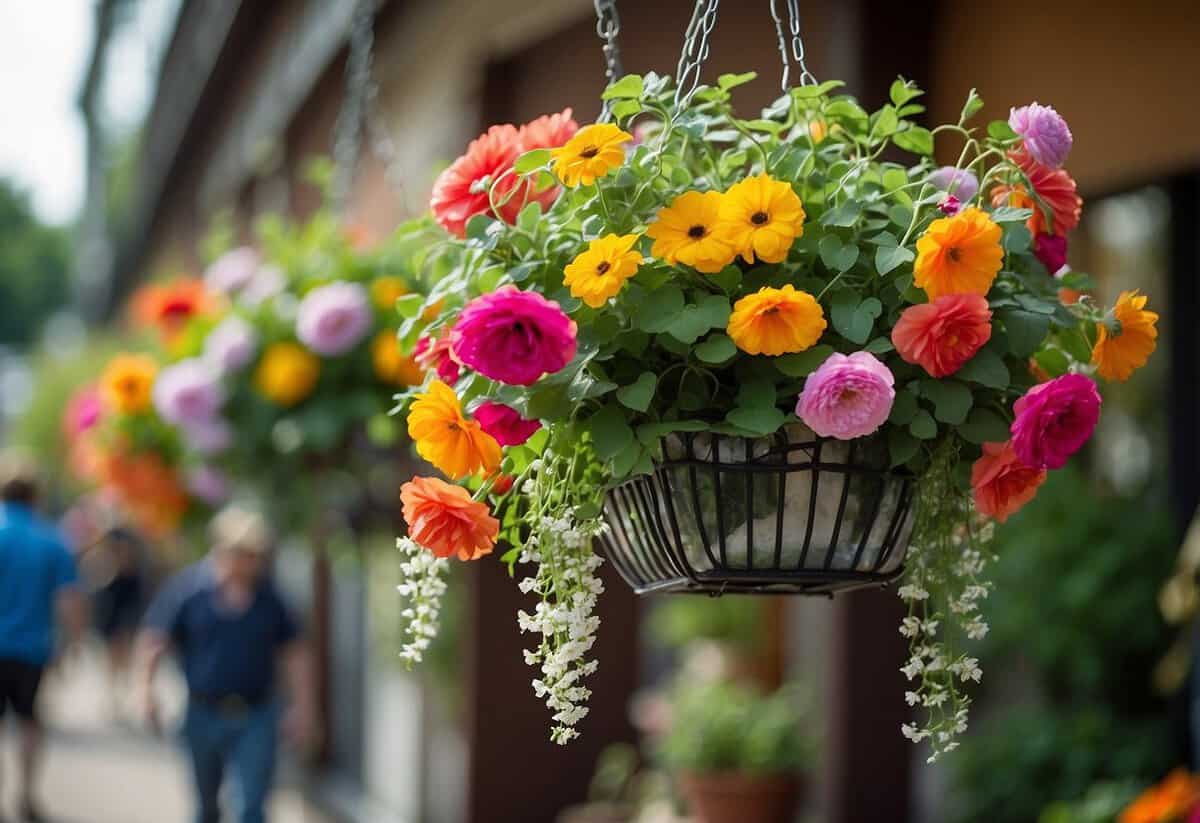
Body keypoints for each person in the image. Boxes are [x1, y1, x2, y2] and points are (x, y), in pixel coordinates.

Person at [137, 505, 316, 823]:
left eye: (254, 554)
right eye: (240, 553)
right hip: (201, 712)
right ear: (221, 549)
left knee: (252, 806)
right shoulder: (189, 590)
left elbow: (295, 652)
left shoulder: (271, 597)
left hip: (256, 714)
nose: (248, 562)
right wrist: (146, 692)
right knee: (205, 808)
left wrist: (303, 708)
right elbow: (155, 640)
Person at [0, 457, 87, 823]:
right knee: (30, 722)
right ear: (35, 496)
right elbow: (69, 602)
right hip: (31, 649)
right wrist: (73, 646)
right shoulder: (52, 540)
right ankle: (26, 793)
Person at [86, 525, 149, 721]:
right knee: (111, 660)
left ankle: (121, 697)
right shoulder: (103, 562)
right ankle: (113, 698)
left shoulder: (135, 567)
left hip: (127, 618)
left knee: (125, 659)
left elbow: (139, 595)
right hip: (110, 617)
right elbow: (94, 585)